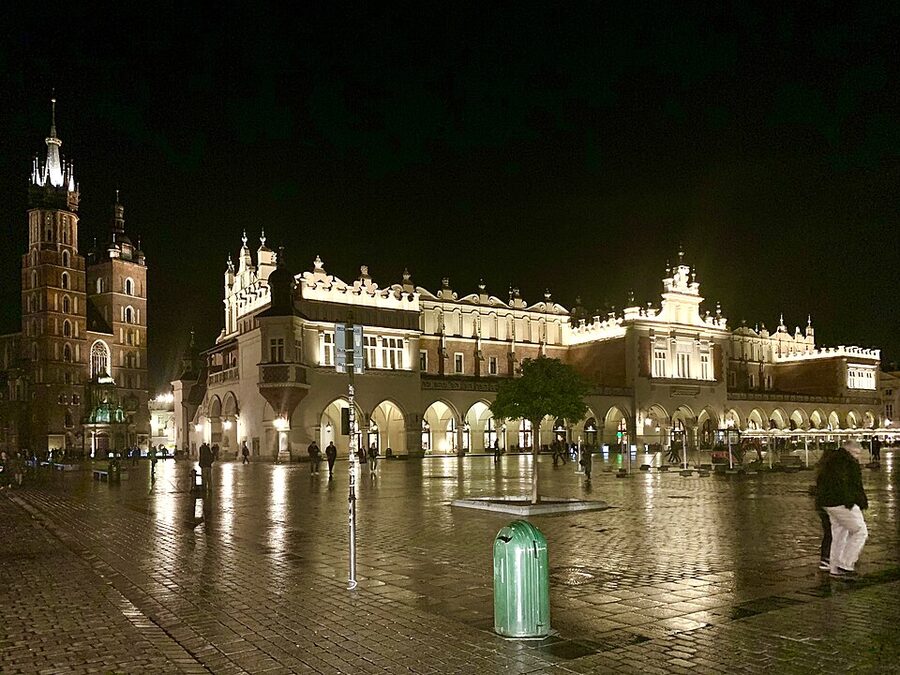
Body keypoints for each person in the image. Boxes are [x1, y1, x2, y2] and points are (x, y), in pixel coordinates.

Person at [817, 440, 868, 579]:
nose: (858, 457)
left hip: (827, 503)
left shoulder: (830, 460)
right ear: (850, 451)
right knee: (860, 531)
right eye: (856, 453)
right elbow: (850, 485)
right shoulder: (848, 462)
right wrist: (853, 500)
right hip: (842, 503)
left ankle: (835, 568)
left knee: (839, 534)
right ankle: (845, 564)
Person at [812, 445, 837, 570]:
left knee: (829, 532)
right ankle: (827, 558)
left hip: (822, 506)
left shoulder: (822, 471)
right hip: (829, 505)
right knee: (831, 532)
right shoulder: (829, 473)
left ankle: (827, 558)